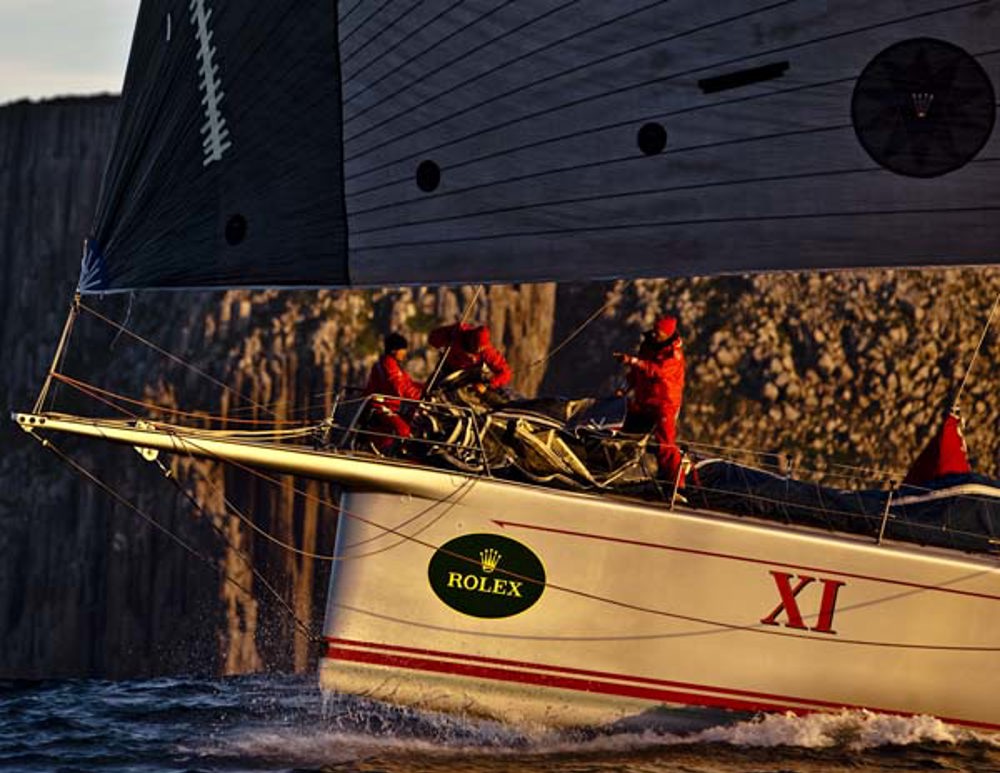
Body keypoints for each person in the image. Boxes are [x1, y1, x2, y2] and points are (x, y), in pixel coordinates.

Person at [613, 315, 686, 486]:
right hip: (644, 401)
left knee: (665, 444)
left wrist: (632, 361)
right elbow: (637, 373)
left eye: (658, 332)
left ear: (668, 334)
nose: (654, 334)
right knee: (625, 433)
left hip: (665, 404)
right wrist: (623, 389)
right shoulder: (648, 346)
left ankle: (677, 484)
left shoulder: (673, 355)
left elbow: (656, 371)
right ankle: (615, 471)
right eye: (654, 330)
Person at [362, 332, 424, 453]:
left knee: (413, 423)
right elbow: (399, 387)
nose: (405, 352)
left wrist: (425, 387)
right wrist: (420, 396)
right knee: (404, 430)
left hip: (388, 407)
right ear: (394, 350)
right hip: (381, 407)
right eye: (403, 349)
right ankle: (397, 454)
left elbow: (408, 383)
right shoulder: (389, 365)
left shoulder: (391, 365)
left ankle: (388, 450)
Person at [427, 322, 512, 394]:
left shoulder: (487, 351)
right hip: (446, 371)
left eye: (481, 348)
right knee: (430, 391)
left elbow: (505, 373)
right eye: (476, 347)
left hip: (470, 377)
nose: (478, 350)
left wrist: (488, 385)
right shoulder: (458, 333)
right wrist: (446, 335)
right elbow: (432, 340)